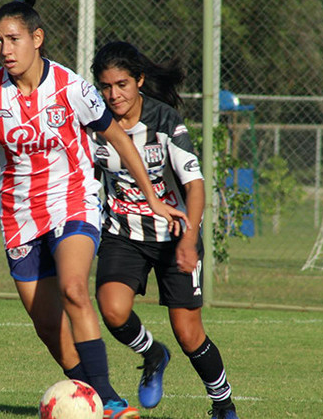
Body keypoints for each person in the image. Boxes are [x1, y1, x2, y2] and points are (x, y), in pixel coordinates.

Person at [0, 0, 188, 419]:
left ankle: (108, 401)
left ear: (37, 38)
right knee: (47, 325)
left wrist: (154, 199)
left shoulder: (71, 87)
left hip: (74, 200)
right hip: (18, 214)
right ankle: (88, 394)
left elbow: (119, 139)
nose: (5, 49)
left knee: (74, 289)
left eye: (13, 39)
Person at [91, 41, 240, 419]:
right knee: (112, 310)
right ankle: (153, 354)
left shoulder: (165, 121)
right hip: (123, 234)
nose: (114, 94)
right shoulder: (94, 126)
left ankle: (223, 403)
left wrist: (189, 241)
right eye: (106, 86)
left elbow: (195, 186)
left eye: (122, 84)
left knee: (189, 333)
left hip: (175, 236)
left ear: (139, 81)